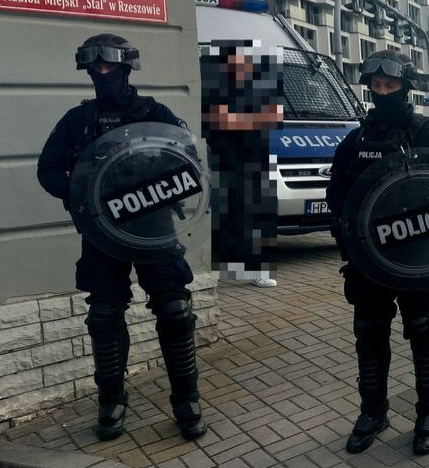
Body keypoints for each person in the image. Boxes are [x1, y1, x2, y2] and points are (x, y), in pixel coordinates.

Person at [37, 34, 207, 442]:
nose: (101, 73)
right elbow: (47, 170)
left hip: (154, 228)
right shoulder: (77, 121)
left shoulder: (156, 113)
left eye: (108, 66)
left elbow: (190, 165)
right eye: (94, 68)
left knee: (174, 311)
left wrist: (149, 186)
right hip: (102, 232)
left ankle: (187, 400)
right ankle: (110, 401)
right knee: (104, 316)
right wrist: (81, 194)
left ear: (126, 67)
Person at [327, 50, 429, 456]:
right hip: (368, 257)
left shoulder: (424, 134)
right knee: (369, 330)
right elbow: (336, 194)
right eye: (377, 86)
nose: (383, 92)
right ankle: (372, 412)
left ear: (405, 87)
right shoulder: (356, 139)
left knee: (422, 328)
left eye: (391, 85)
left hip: (415, 250)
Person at [200, 40, 284, 288]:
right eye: (234, 62)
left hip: (256, 161)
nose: (240, 67)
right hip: (226, 163)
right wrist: (254, 118)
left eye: (244, 63)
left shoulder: (261, 88)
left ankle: (258, 269)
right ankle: (229, 268)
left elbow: (274, 116)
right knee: (228, 218)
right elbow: (220, 120)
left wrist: (239, 119)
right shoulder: (216, 89)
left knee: (258, 218)